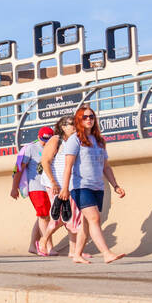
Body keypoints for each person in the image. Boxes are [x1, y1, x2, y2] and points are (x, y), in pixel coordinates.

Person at [59, 106, 127, 263]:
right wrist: (64, 188)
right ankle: (106, 253)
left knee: (87, 222)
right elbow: (68, 166)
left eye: (91, 116)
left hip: (97, 187)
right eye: (84, 117)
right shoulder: (74, 140)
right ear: (79, 121)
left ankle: (77, 254)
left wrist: (115, 186)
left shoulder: (100, 141)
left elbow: (106, 167)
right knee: (95, 218)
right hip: (80, 186)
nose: (88, 119)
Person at [11, 126, 57, 254]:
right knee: (44, 215)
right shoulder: (30, 148)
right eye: (43, 140)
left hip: (49, 187)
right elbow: (19, 169)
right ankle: (48, 246)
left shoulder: (55, 147)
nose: (45, 143)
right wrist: (14, 188)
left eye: (48, 140)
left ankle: (33, 245)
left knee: (45, 216)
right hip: (35, 187)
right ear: (38, 137)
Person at [37, 116, 76, 255]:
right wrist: (53, 182)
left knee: (72, 217)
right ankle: (43, 240)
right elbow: (45, 161)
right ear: (63, 126)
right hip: (55, 184)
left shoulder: (75, 140)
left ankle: (73, 251)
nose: (74, 126)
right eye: (71, 124)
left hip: (69, 184)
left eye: (75, 124)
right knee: (57, 217)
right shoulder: (55, 140)